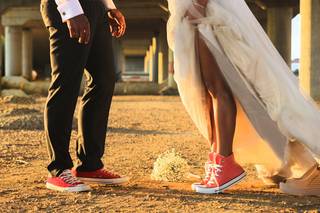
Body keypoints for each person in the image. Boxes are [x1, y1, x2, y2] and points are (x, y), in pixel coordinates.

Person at [167, 0, 320, 195]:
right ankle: (217, 159)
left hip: (205, 8)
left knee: (218, 88)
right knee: (207, 90)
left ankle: (225, 162)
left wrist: (199, 3)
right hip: (188, 7)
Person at [40, 0, 129, 192]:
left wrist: (109, 7)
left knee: (103, 81)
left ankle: (90, 164)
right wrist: (70, 9)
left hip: (95, 8)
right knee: (66, 83)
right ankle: (58, 169)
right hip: (70, 6)